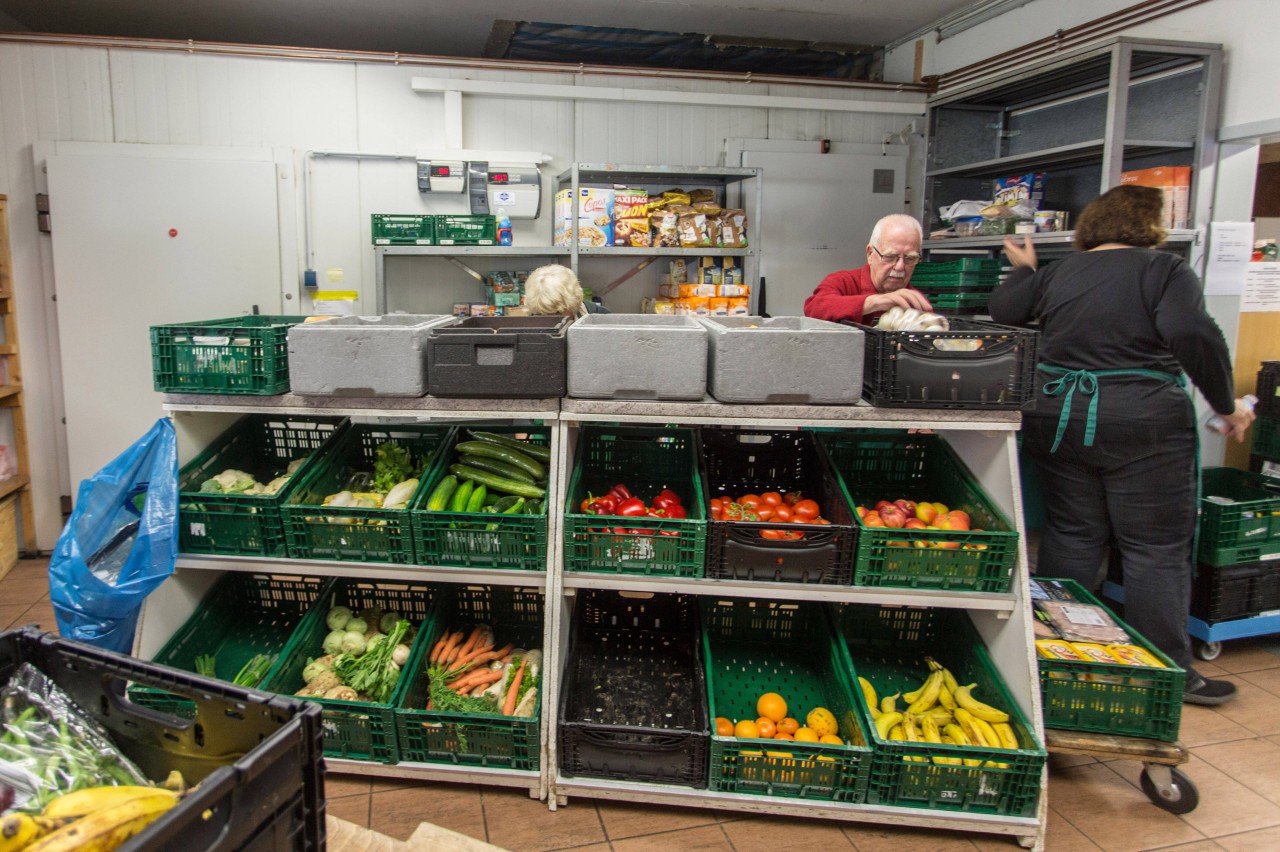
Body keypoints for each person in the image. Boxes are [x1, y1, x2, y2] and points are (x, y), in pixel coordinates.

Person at [989, 184, 1254, 706]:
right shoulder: (1163, 271)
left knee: (1072, 536)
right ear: (1149, 225)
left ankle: (1056, 662)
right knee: (1154, 550)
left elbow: (1004, 310)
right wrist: (1226, 405)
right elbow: (1190, 332)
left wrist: (1025, 268)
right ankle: (1169, 678)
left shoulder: (1061, 271)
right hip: (1143, 423)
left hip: (1059, 416)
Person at [803, 213, 934, 323]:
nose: (900, 267)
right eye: (890, 256)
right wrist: (874, 302)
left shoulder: (915, 302)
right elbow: (814, 308)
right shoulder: (843, 282)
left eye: (910, 259)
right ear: (870, 254)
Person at [523, 264, 608, 317]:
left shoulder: (601, 317)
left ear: (574, 303)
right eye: (541, 314)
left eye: (558, 313)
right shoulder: (528, 327)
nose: (550, 320)